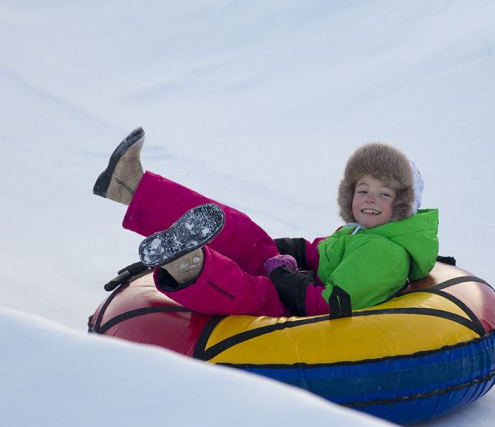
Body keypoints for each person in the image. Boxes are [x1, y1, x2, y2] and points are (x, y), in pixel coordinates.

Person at [93, 127, 439, 317]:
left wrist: (279, 274)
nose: (370, 201)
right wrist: (289, 252)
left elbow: (323, 305)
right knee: (245, 234)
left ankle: (190, 265)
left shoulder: (385, 254)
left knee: (251, 292)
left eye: (384, 194)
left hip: (301, 311)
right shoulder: (362, 233)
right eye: (363, 190)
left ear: (404, 205)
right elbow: (322, 254)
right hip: (299, 283)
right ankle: (131, 186)